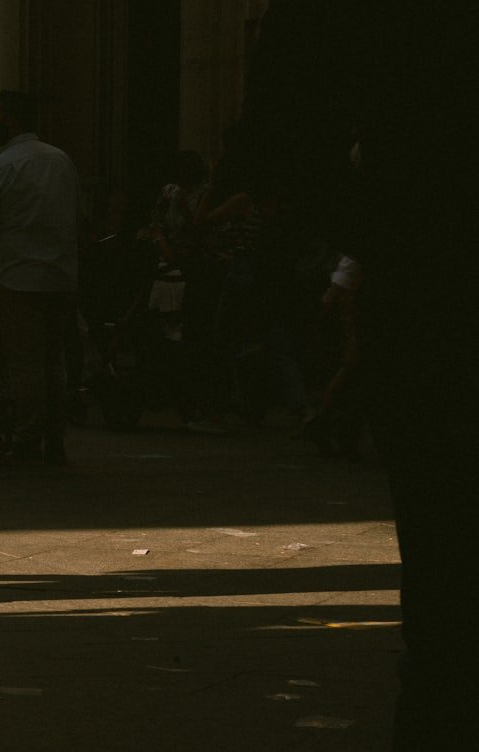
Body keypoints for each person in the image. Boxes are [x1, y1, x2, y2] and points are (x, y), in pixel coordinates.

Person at [239, 3, 477, 748]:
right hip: (424, 281)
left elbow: (276, 146)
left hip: (431, 295)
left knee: (448, 574)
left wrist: (394, 230)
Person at [0, 90, 81, 464]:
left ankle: (29, 437)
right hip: (61, 276)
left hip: (17, 277)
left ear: (11, 119)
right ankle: (55, 437)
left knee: (25, 363)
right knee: (54, 360)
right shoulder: (62, 162)